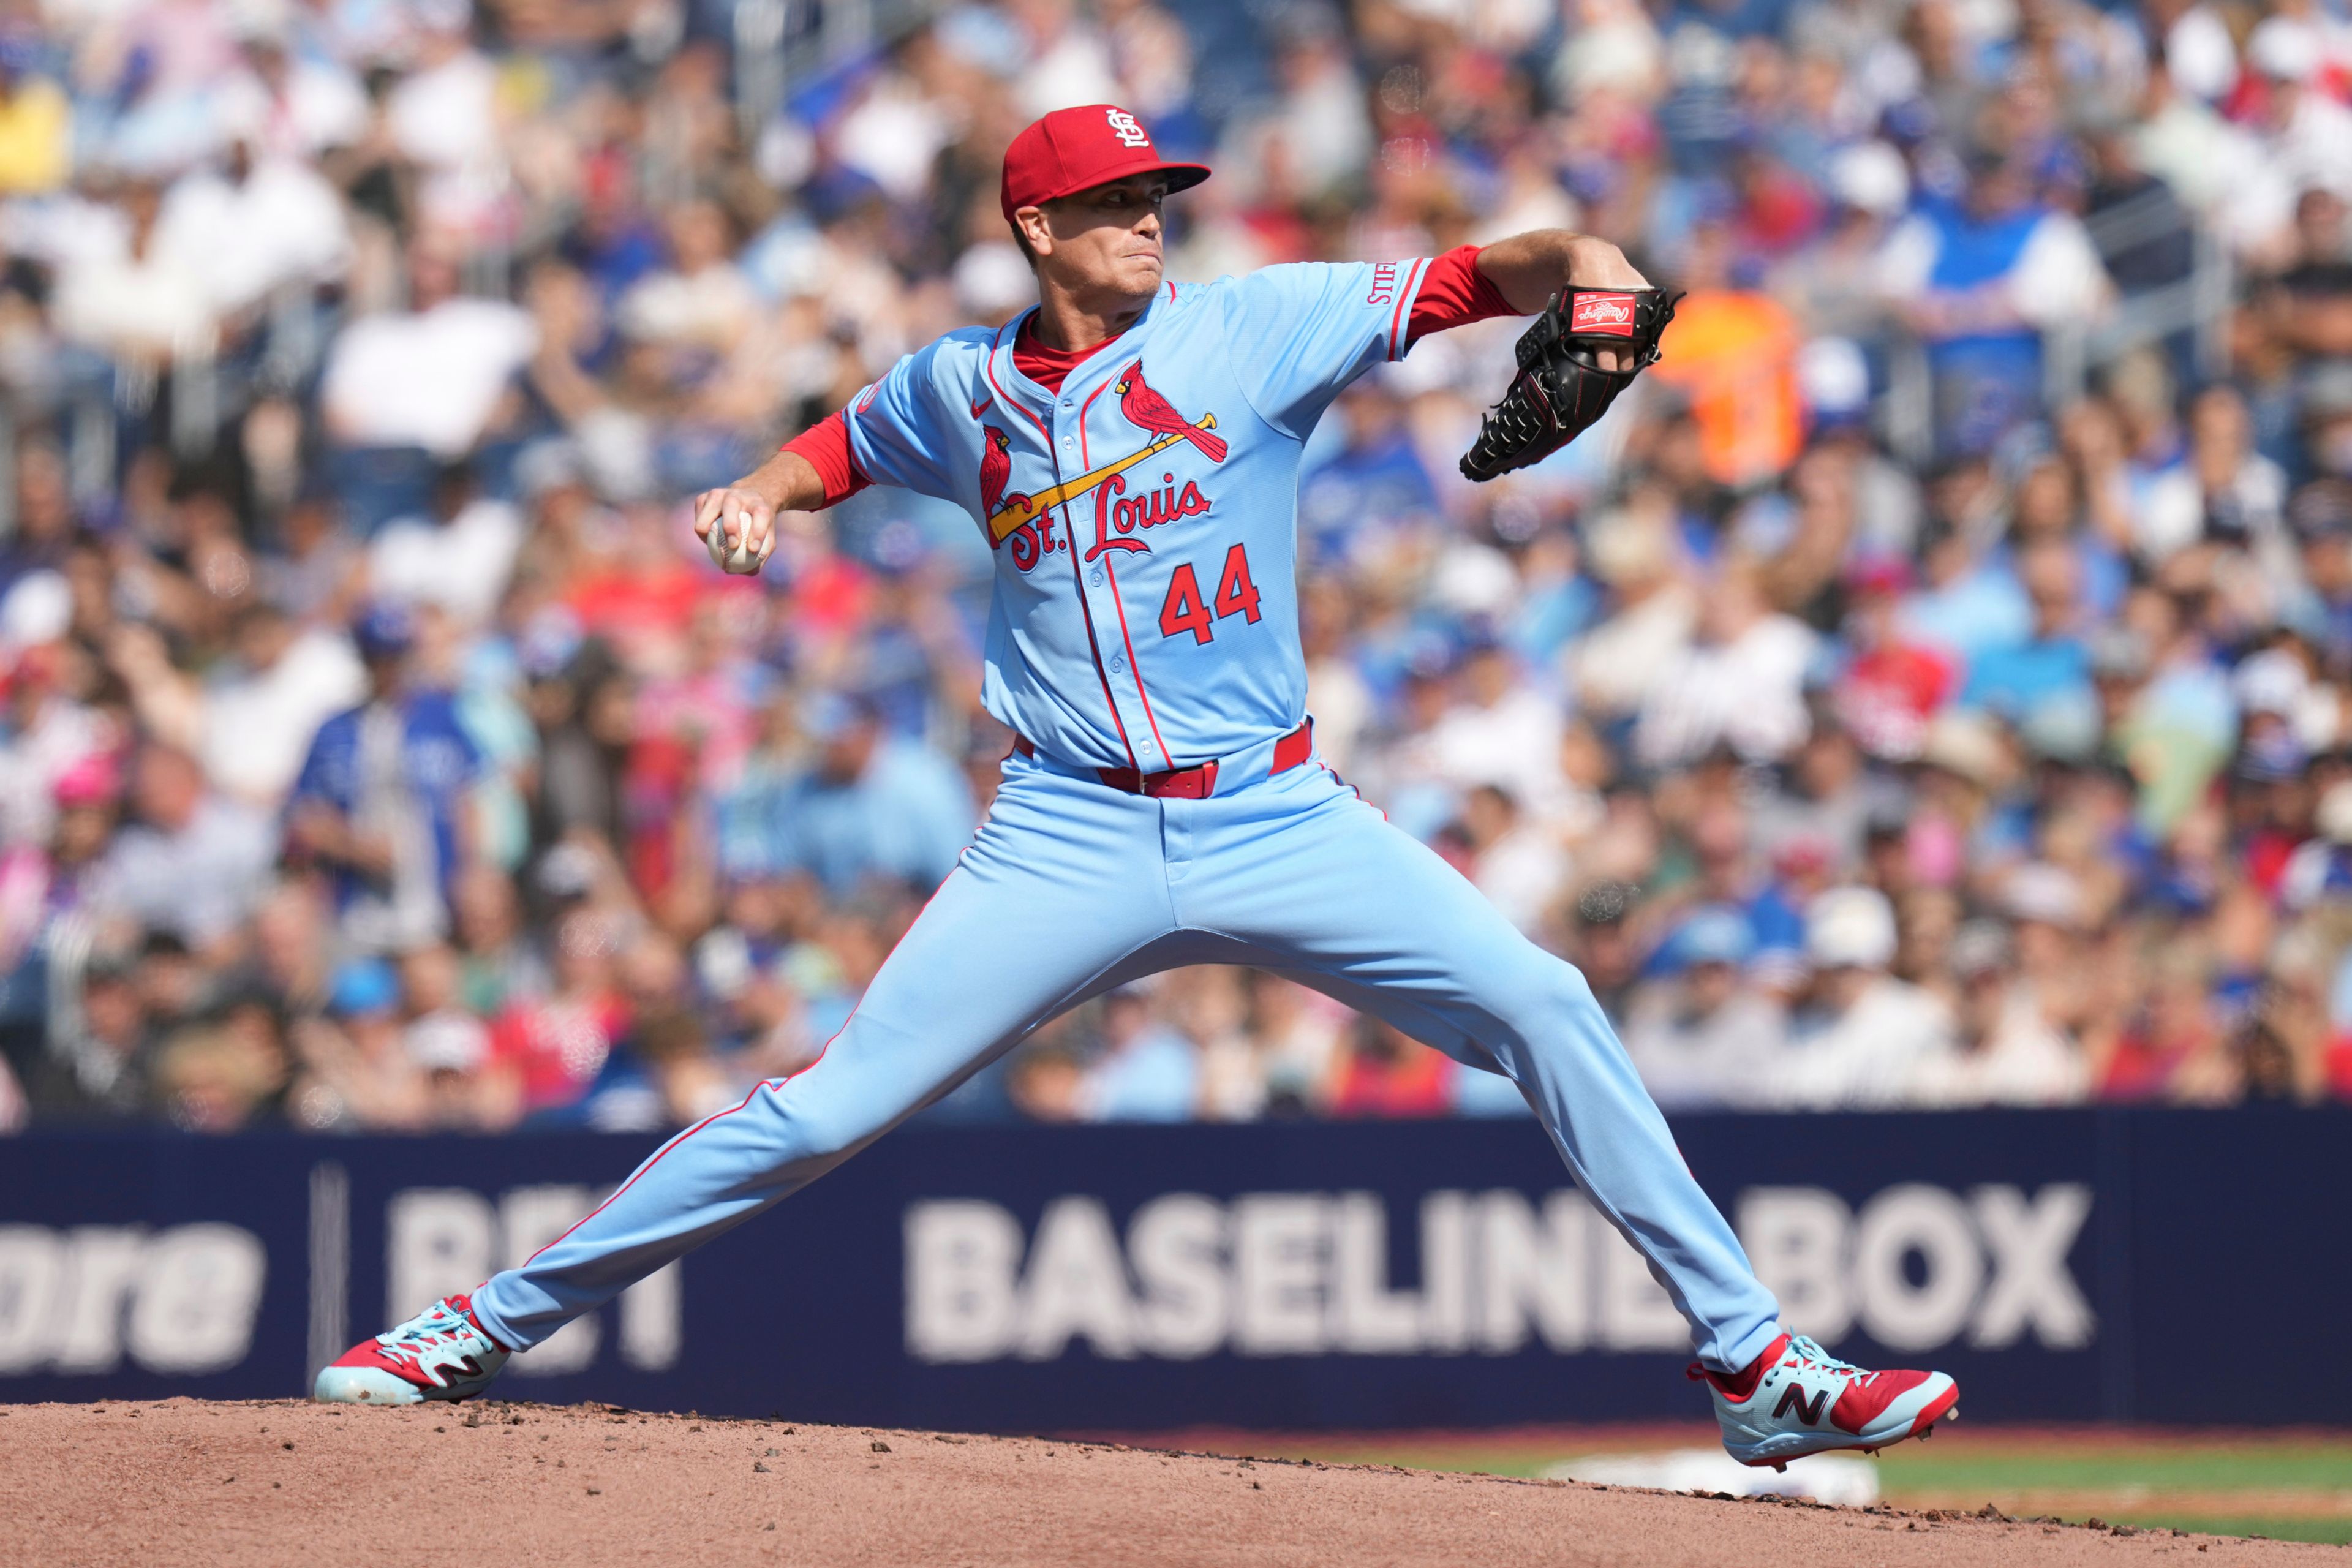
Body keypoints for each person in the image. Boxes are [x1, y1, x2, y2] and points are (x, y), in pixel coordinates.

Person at [315, 104, 1958, 1468]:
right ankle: (478, 1329)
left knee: (1544, 1000)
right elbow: (845, 441)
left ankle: (1757, 1364)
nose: (1152, 218)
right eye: (1116, 201)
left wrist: (1597, 269)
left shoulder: (1257, 325)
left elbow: (1494, 268)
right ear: (1039, 228)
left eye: (1160, 193)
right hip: (1069, 826)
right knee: (822, 1108)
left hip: (1276, 809)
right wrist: (758, 488)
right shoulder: (960, 386)